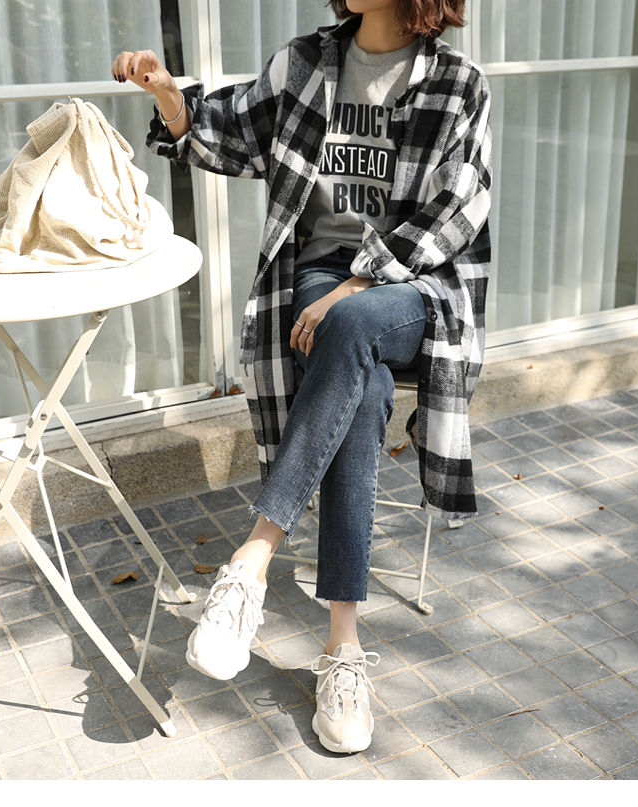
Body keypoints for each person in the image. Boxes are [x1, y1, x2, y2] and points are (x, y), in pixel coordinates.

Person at [112, 0, 490, 755]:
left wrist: (361, 281)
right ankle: (343, 651)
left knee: (352, 328)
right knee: (363, 390)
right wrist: (168, 95)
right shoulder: (306, 63)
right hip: (317, 279)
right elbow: (231, 133)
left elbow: (458, 209)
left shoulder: (458, 82)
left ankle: (251, 560)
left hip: (414, 289)